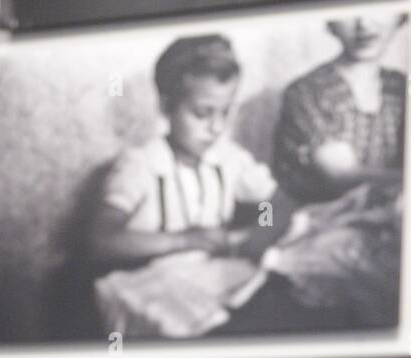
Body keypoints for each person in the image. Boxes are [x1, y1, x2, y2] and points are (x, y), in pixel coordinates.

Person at [91, 35, 279, 269]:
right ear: (166, 107)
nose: (216, 128)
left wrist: (258, 232)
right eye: (202, 114)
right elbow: (101, 242)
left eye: (225, 112)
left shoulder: (231, 159)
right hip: (147, 285)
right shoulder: (139, 165)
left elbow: (271, 202)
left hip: (210, 279)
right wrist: (184, 240)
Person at [272, 14, 407, 204]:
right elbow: (342, 176)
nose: (365, 23)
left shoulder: (405, 87)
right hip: (314, 222)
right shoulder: (308, 90)